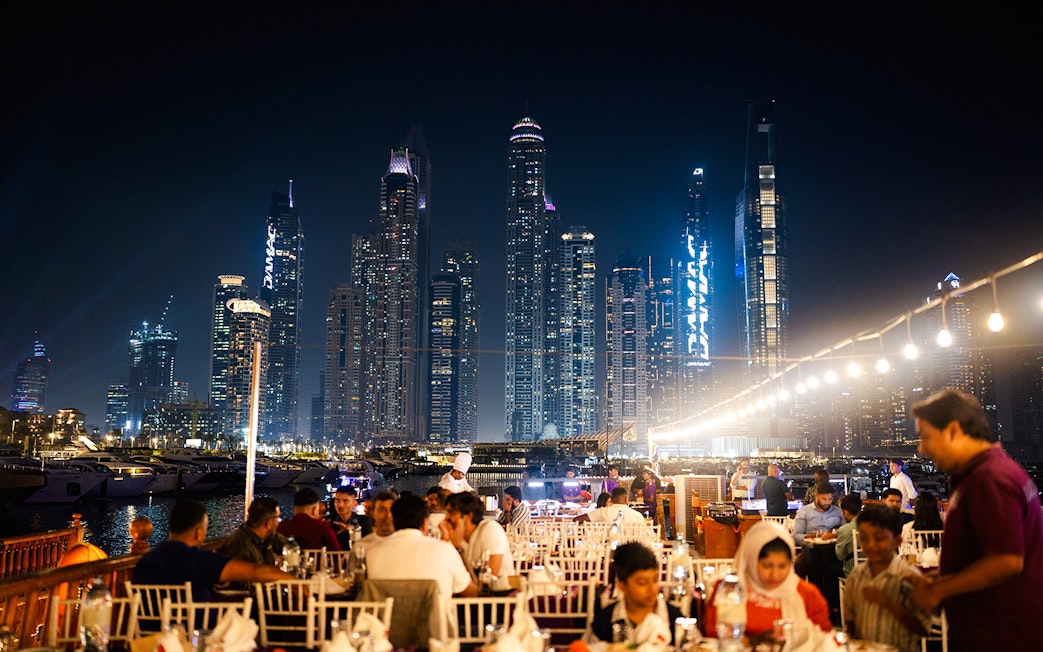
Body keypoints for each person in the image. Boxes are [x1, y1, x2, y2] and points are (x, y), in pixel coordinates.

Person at [907, 389, 1043, 649]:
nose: (921, 448)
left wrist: (940, 590)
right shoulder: (983, 473)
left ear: (953, 431)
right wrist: (940, 576)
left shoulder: (989, 478)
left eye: (925, 437)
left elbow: (1006, 561)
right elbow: (984, 554)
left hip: (999, 634)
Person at [704, 521, 832, 648]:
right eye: (767, 566)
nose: (775, 575)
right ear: (751, 561)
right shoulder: (730, 590)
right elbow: (713, 635)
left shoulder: (807, 594)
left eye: (782, 566)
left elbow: (825, 640)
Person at [133, 500, 293, 601]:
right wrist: (295, 582)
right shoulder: (199, 560)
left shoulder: (145, 561)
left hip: (151, 637)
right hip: (199, 634)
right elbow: (256, 571)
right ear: (199, 532)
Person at [843, 505, 930, 652]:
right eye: (864, 538)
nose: (871, 545)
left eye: (879, 538)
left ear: (897, 541)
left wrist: (888, 603)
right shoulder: (856, 576)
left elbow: (923, 628)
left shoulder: (908, 577)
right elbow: (850, 622)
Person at [366, 493, 477, 598]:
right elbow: (473, 594)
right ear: (425, 524)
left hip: (386, 618)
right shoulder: (445, 550)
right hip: (436, 618)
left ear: (393, 522)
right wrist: (458, 547)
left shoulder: (372, 553)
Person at [586, 542, 682, 646]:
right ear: (622, 586)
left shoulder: (674, 619)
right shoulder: (605, 621)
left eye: (655, 580)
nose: (652, 589)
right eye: (642, 583)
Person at [442, 492, 516, 593]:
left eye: (451, 512)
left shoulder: (491, 529)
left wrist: (457, 547)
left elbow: (489, 579)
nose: (447, 518)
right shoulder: (455, 534)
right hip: (468, 595)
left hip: (498, 597)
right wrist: (445, 541)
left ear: (468, 516)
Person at [220, 496, 287, 566]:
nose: (278, 522)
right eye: (277, 517)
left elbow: (289, 547)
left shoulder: (270, 536)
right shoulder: (239, 547)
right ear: (269, 523)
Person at [277, 486, 342, 551]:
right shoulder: (322, 527)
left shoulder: (282, 527)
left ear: (293, 510)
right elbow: (338, 556)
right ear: (314, 510)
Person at [792, 482, 844, 546]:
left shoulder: (838, 511)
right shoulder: (804, 512)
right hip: (813, 548)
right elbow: (795, 536)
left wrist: (835, 534)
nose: (827, 502)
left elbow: (846, 531)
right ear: (816, 496)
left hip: (835, 547)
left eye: (830, 499)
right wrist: (813, 536)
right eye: (824, 499)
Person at [329, 485, 373, 550]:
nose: (340, 505)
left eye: (345, 501)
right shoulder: (328, 523)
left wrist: (353, 530)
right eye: (337, 501)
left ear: (354, 503)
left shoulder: (364, 522)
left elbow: (369, 546)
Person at [354, 489, 398, 555]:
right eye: (382, 510)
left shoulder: (409, 545)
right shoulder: (361, 547)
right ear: (373, 512)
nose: (388, 515)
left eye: (392, 509)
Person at [575, 486, 647, 524]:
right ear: (626, 499)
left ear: (612, 499)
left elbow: (577, 520)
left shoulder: (603, 512)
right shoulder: (638, 516)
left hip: (607, 549)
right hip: (632, 550)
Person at [834, 493, 862, 578]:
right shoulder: (873, 524)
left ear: (845, 512)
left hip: (852, 572)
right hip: (873, 570)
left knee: (827, 571)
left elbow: (840, 556)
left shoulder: (844, 530)